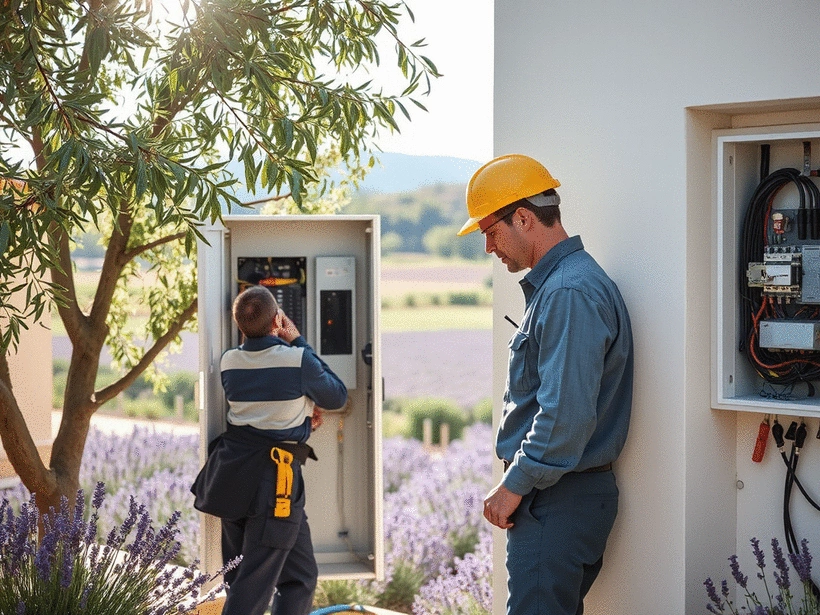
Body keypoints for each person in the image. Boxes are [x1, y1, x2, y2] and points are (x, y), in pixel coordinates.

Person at [458, 154, 633, 615]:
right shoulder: (564, 286)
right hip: (559, 497)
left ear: (523, 218)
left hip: (556, 500)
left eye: (491, 232)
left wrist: (514, 483)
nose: (489, 248)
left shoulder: (567, 293)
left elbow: (564, 414)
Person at [191, 285, 348, 615]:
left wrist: (301, 411)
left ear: (238, 326)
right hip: (273, 485)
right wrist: (298, 341)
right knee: (252, 589)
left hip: (231, 479)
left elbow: (266, 403)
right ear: (278, 319)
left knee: (298, 577)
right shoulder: (297, 359)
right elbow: (336, 396)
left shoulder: (229, 362)